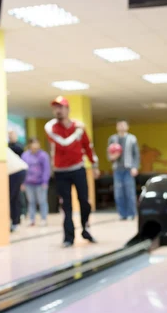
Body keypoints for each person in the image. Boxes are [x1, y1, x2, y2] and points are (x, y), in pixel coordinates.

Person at [45, 96, 100, 247]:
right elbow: (63, 145)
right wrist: (77, 133)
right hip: (61, 172)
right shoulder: (50, 128)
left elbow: (88, 147)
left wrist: (94, 165)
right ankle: (68, 237)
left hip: (78, 170)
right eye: (55, 107)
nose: (58, 110)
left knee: (85, 201)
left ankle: (85, 229)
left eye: (61, 107)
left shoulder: (79, 128)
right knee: (66, 205)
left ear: (67, 109)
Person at [107, 119, 140, 221]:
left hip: (128, 169)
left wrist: (135, 167)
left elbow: (136, 154)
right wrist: (112, 157)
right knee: (119, 193)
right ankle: (122, 214)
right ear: (117, 127)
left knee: (129, 192)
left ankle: (131, 214)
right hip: (117, 170)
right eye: (119, 125)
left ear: (127, 127)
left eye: (123, 125)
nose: (121, 127)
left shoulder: (132, 138)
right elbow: (108, 154)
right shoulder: (112, 139)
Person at [21, 138, 51, 227]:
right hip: (28, 183)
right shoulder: (25, 155)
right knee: (31, 202)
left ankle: (43, 218)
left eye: (36, 143)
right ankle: (32, 219)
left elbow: (46, 169)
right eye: (33, 143)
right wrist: (22, 182)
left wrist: (45, 181)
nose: (34, 145)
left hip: (40, 183)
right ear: (29, 145)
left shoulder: (43, 155)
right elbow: (23, 169)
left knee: (42, 201)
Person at [7, 147, 28, 232]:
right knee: (14, 198)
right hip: (15, 172)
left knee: (12, 198)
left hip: (16, 172)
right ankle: (16, 221)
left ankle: (15, 222)